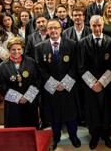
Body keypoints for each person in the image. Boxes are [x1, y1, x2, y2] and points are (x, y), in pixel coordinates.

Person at [35, 19, 81, 149]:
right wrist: (54, 84)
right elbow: (40, 68)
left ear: (61, 29)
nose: (53, 30)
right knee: (54, 115)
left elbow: (75, 65)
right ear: (47, 30)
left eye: (56, 27)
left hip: (68, 86)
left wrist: (65, 83)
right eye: (50, 28)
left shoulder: (72, 44)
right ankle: (55, 137)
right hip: (51, 87)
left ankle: (73, 136)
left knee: (71, 114)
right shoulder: (39, 47)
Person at [78, 15, 111, 150]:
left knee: (106, 110)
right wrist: (93, 83)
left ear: (103, 25)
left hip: (106, 84)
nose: (97, 28)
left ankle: (106, 135)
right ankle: (94, 135)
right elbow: (81, 66)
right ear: (90, 26)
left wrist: (102, 82)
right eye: (94, 25)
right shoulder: (83, 43)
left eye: (99, 25)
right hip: (90, 85)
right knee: (92, 110)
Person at [0, 37, 39, 128]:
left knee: (31, 127)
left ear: (23, 49)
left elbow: (37, 80)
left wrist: (27, 96)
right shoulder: (1, 67)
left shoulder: (31, 62)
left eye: (19, 49)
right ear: (9, 50)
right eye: (13, 49)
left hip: (29, 100)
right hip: (13, 103)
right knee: (15, 128)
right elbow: (1, 86)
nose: (16, 52)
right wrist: (18, 98)